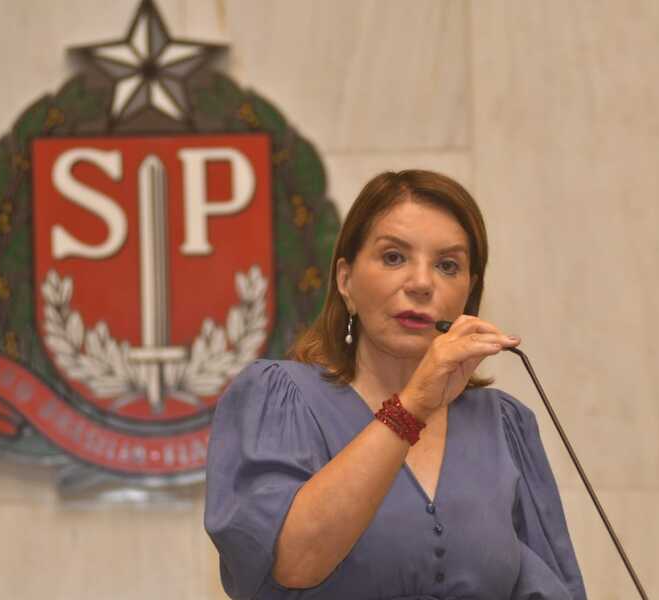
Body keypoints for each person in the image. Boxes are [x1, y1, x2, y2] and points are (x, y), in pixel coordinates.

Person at [204, 170, 587, 599]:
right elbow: (294, 563)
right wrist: (414, 404)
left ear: (470, 290)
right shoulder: (280, 398)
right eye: (393, 258)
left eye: (447, 265)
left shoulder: (504, 424)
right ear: (345, 281)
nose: (421, 283)